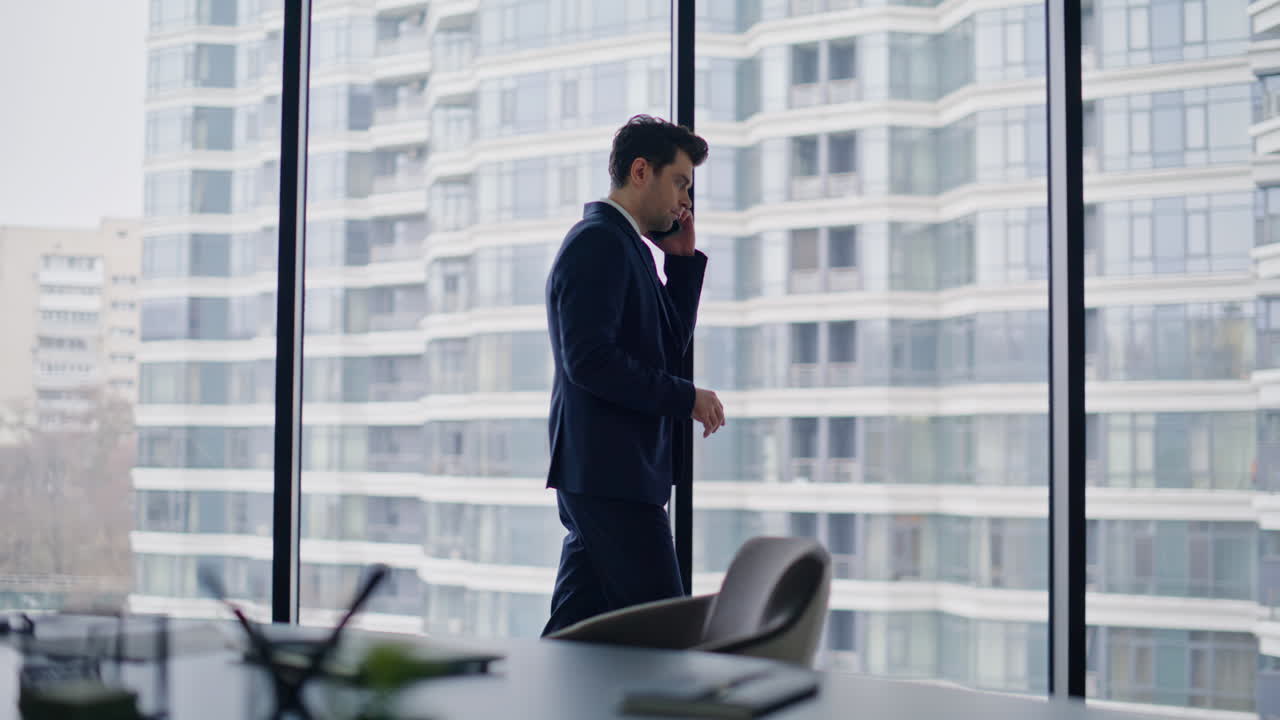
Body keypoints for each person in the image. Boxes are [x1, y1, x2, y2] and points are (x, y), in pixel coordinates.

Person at [540, 115, 726, 636]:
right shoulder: (597, 242)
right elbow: (591, 361)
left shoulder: (627, 248)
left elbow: (663, 352)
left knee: (573, 637)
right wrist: (688, 398)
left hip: (613, 476)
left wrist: (682, 266)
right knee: (670, 634)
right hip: (611, 476)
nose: (686, 200)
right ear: (641, 170)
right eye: (681, 182)